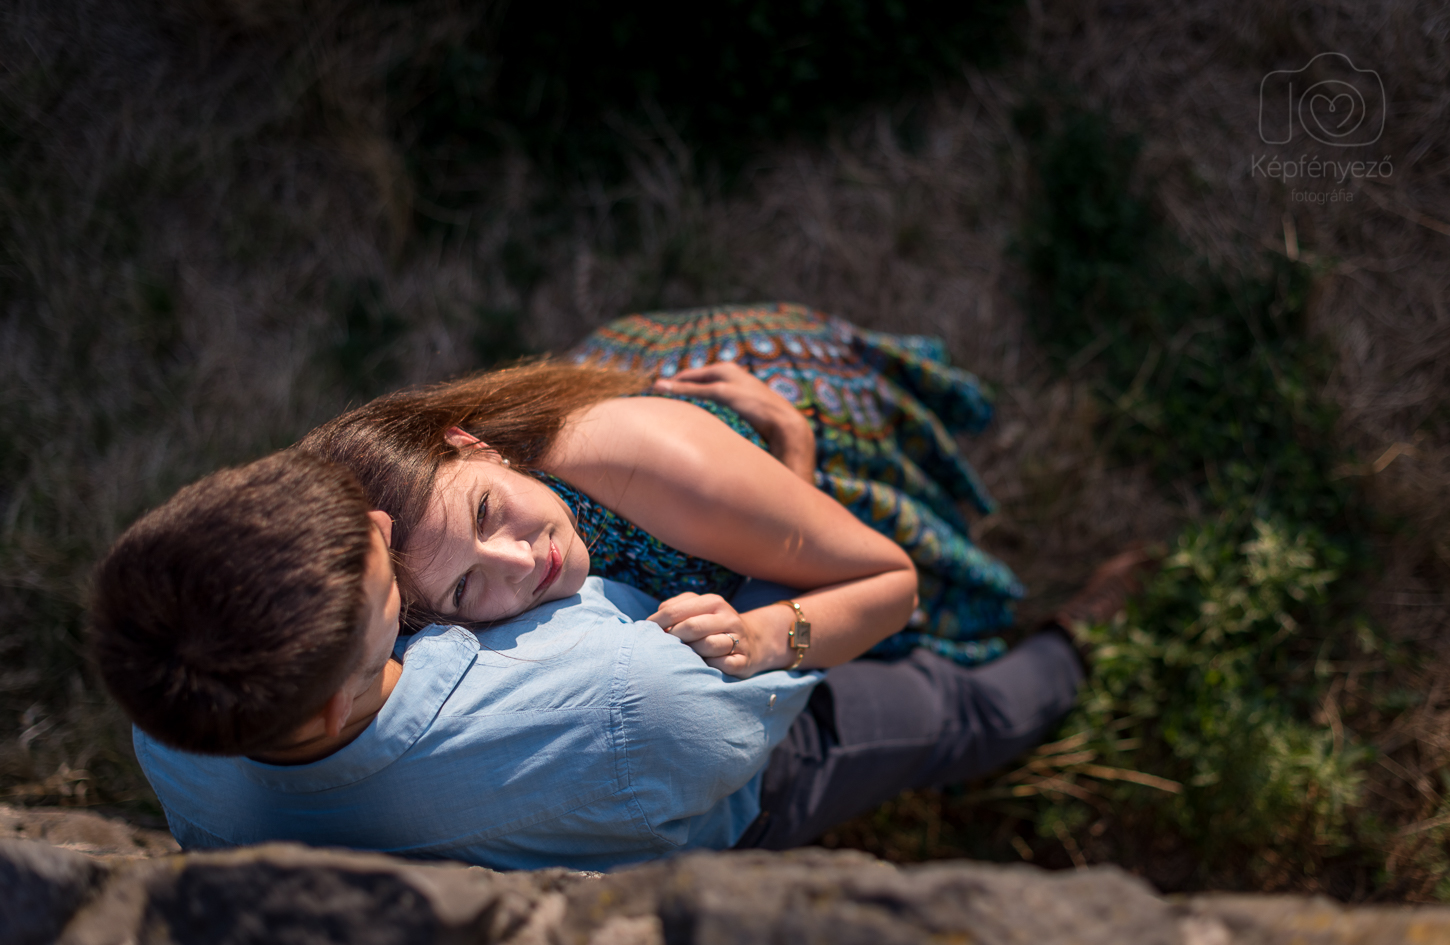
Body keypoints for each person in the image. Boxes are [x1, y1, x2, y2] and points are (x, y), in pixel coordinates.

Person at [92, 449, 1117, 867]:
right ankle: (1079, 648)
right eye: (382, 583)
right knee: (951, 712)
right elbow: (810, 614)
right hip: (747, 774)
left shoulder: (176, 726)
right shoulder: (634, 701)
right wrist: (789, 484)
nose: (377, 521)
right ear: (325, 709)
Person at [298, 303, 1025, 682]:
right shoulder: (418, 580)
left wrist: (767, 637)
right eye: (464, 587)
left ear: (472, 443)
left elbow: (891, 583)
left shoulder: (654, 470)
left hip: (756, 434)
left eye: (486, 513)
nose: (520, 565)